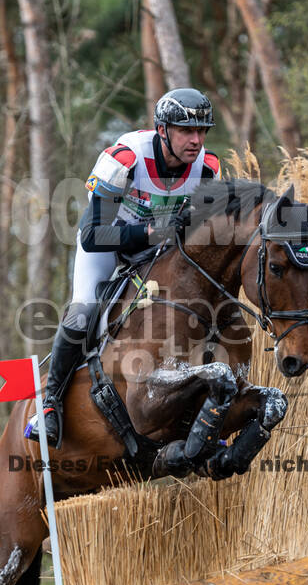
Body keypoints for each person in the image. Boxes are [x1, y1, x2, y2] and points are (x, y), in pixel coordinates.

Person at [28, 88, 221, 447]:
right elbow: (91, 236)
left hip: (155, 254)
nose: (196, 141)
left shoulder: (208, 168)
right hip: (107, 245)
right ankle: (52, 402)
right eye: (185, 131)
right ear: (162, 130)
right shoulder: (127, 158)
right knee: (83, 313)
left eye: (202, 131)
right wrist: (151, 231)